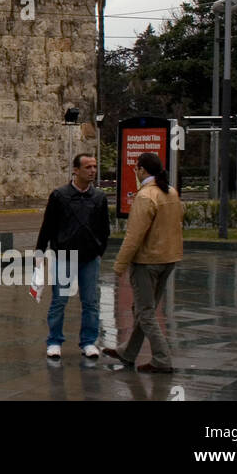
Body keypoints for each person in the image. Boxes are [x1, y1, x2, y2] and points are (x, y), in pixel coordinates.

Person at [105, 152, 183, 373]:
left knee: (145, 312)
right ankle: (128, 352)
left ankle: (161, 358)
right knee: (143, 309)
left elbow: (134, 236)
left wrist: (119, 265)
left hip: (147, 261)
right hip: (168, 258)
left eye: (136, 169)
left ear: (142, 170)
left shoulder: (146, 196)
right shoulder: (170, 192)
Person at [36, 153, 110, 360]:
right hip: (64, 255)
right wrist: (40, 252)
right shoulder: (59, 195)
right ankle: (54, 341)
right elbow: (47, 226)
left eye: (94, 166)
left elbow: (104, 228)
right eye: (88, 167)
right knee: (59, 300)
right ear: (75, 170)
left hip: (89, 257)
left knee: (91, 302)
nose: (92, 171)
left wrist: (99, 250)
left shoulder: (99, 197)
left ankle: (88, 342)